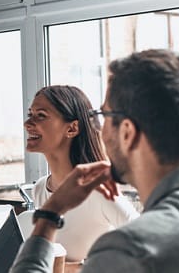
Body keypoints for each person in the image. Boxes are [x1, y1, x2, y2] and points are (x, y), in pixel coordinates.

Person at [11, 49, 179, 272]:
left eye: (104, 117)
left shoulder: (126, 251)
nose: (98, 129)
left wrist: (49, 216)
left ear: (127, 132)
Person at [24, 85, 139, 261]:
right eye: (30, 114)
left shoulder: (98, 190)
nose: (28, 123)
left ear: (72, 129)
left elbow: (147, 241)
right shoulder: (40, 188)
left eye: (41, 116)